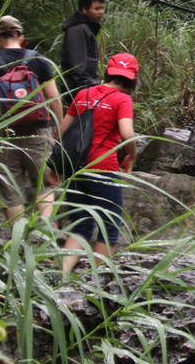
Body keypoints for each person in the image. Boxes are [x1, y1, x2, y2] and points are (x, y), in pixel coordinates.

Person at [0, 15, 64, 221]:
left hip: (5, 134)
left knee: (11, 193)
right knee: (44, 185)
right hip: (39, 132)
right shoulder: (37, 59)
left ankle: (19, 244)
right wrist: (57, 129)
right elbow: (54, 98)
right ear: (21, 36)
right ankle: (46, 235)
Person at [59, 52, 138, 277]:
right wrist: (131, 155)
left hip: (76, 168)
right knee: (109, 225)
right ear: (133, 78)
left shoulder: (83, 93)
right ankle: (97, 284)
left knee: (79, 225)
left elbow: (63, 131)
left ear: (108, 72)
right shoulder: (122, 100)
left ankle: (62, 275)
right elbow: (127, 133)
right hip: (104, 169)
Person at [61, 0, 105, 97]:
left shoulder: (85, 28)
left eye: (102, 8)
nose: (101, 12)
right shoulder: (78, 29)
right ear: (84, 10)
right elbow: (77, 65)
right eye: (97, 9)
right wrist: (88, 91)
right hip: (81, 91)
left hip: (86, 88)